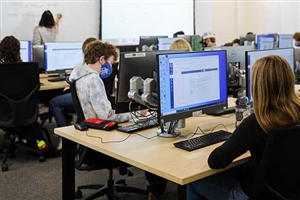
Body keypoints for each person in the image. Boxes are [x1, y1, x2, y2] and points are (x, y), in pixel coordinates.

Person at [187, 55, 300, 200]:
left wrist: (236, 137)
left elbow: (215, 161)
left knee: (194, 182)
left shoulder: (257, 122)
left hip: (253, 194)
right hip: (290, 191)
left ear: (258, 86)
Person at [49, 37, 98, 149]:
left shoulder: (81, 67)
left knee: (54, 102)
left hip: (82, 98)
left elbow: (72, 81)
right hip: (96, 101)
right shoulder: (105, 66)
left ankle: (64, 136)